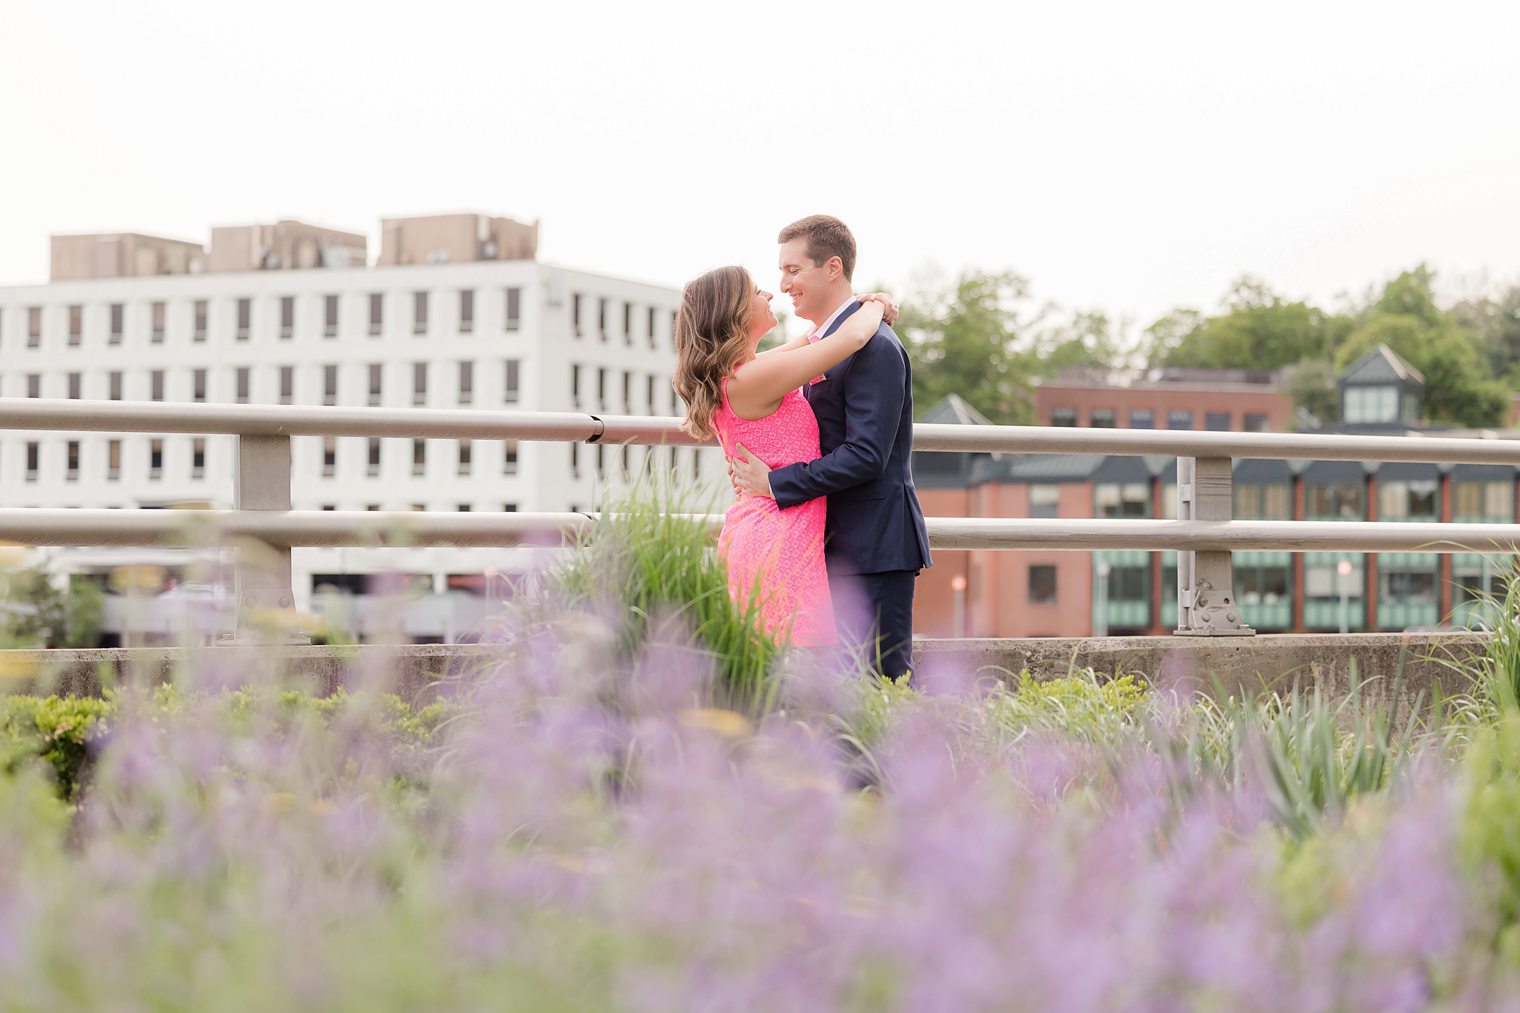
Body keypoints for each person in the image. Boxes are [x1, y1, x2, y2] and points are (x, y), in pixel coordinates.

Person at [730, 215, 932, 681]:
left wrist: (775, 482)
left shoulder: (874, 347)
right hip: (828, 543)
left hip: (873, 546)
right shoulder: (826, 342)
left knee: (883, 687)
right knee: (838, 694)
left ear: (832, 267)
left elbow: (867, 454)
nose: (783, 285)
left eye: (793, 270)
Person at [672, 265, 895, 646]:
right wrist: (878, 304)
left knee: (787, 669)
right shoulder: (750, 380)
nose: (770, 295)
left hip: (776, 533)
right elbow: (853, 337)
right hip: (777, 540)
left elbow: (814, 338)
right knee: (792, 667)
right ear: (734, 311)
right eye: (757, 292)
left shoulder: (749, 372)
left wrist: (866, 307)